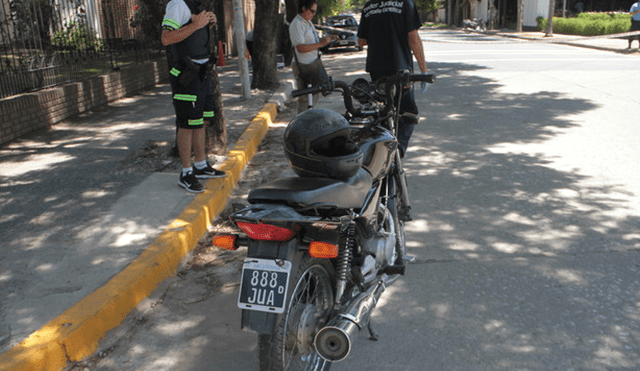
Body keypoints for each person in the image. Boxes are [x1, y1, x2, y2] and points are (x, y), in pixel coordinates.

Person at [162, 0, 226, 193]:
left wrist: (207, 23)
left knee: (201, 121)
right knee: (186, 125)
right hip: (186, 75)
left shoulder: (195, 5)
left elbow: (194, 33)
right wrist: (195, 25)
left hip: (202, 73)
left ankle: (200, 165)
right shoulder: (177, 5)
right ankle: (186, 172)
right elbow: (166, 38)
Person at [357, 0, 428, 157]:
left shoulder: (368, 7)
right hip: (399, 68)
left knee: (383, 112)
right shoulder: (405, 3)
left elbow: (361, 42)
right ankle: (397, 152)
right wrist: (423, 70)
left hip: (376, 70)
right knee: (409, 113)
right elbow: (413, 37)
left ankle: (380, 152)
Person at [289, 0, 338, 113]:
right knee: (306, 99)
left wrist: (327, 39)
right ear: (303, 9)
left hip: (313, 63)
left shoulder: (307, 22)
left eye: (315, 12)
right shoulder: (297, 24)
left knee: (316, 94)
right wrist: (321, 44)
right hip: (303, 66)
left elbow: (312, 43)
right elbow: (301, 48)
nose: (313, 14)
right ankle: (301, 124)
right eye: (312, 11)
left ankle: (310, 118)